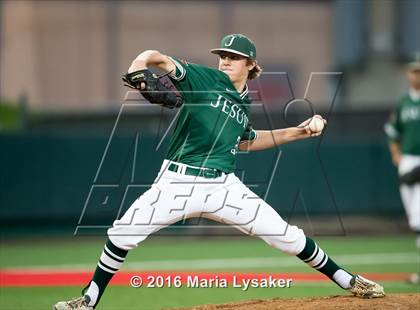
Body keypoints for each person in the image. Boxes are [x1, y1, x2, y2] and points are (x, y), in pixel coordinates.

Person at [54, 34, 384, 310]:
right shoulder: (204, 77)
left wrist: (299, 132)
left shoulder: (243, 105)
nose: (225, 61)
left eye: (234, 57)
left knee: (286, 235)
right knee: (122, 234)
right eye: (223, 55)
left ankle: (349, 280)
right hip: (177, 182)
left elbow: (248, 142)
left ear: (251, 65)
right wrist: (138, 65)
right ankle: (88, 301)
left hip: (223, 187)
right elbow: (153, 56)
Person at [385, 56, 420, 285]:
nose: (416, 75)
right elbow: (392, 131)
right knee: (414, 218)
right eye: (414, 71)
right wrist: (396, 155)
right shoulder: (404, 102)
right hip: (408, 160)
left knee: (419, 220)